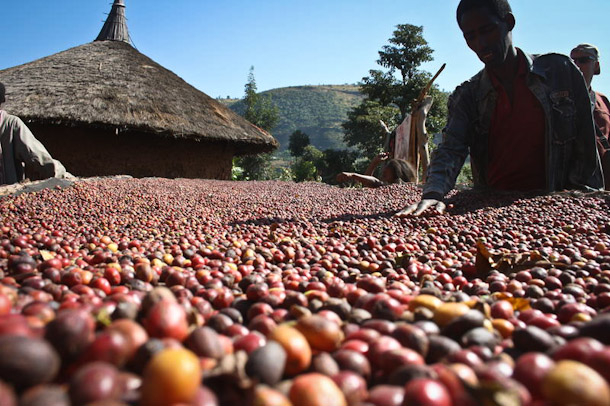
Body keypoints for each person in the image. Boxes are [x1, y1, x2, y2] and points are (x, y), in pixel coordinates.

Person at [396, 0, 603, 217]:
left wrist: (579, 206)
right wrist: (434, 194)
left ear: (509, 22)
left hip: (555, 204)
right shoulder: (468, 96)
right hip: (490, 208)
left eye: (488, 30)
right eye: (471, 36)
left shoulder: (560, 72)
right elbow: (451, 149)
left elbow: (586, 150)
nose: (481, 43)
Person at [0, 82, 70, 185]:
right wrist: (66, 177)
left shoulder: (9, 124)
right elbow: (37, 157)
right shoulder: (10, 124)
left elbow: (37, 158)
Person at [570, 43, 610, 188]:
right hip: (570, 185)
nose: (577, 65)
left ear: (596, 66)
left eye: (584, 60)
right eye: (572, 61)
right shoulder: (558, 102)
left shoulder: (603, 101)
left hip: (602, 185)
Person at [336, 152, 415, 187]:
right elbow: (368, 182)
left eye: (385, 175)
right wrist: (374, 163)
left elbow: (375, 182)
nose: (383, 177)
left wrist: (353, 175)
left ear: (396, 174)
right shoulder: (387, 185)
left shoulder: (399, 186)